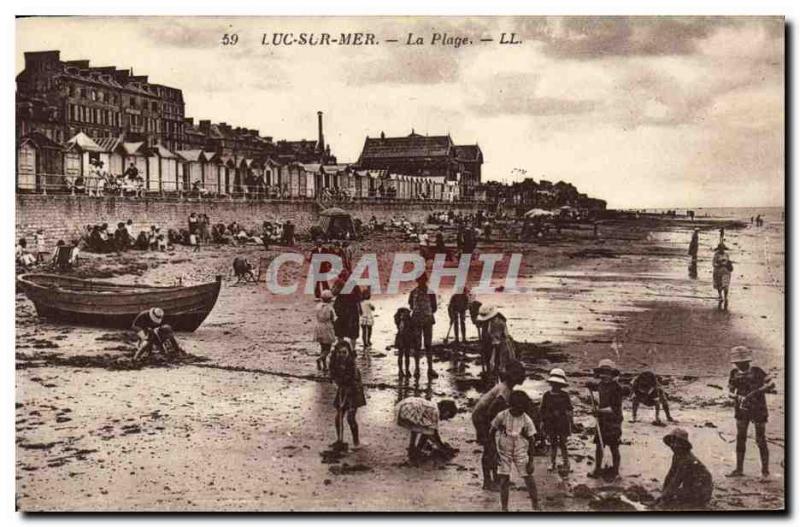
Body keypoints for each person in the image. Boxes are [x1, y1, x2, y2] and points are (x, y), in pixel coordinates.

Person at [471, 360, 527, 490]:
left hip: (485, 418)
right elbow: (491, 411)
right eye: (520, 374)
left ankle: (496, 479)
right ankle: (487, 482)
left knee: (494, 448)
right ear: (512, 376)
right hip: (482, 419)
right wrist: (493, 429)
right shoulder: (504, 391)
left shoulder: (506, 388)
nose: (523, 377)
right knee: (489, 449)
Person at [726, 346, 774, 478]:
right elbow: (730, 391)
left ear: (748, 361)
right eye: (738, 363)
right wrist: (736, 396)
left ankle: (765, 471)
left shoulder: (757, 371)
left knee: (760, 439)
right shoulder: (733, 373)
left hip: (758, 408)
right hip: (742, 408)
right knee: (740, 438)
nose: (740, 365)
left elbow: (771, 384)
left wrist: (757, 392)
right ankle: (739, 469)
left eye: (743, 363)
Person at [490, 390, 540, 511]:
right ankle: (504, 508)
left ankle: (535, 505)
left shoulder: (526, 419)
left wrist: (531, 461)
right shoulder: (502, 415)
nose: (520, 410)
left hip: (520, 448)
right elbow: (491, 432)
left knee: (528, 476)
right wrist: (494, 452)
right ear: (511, 405)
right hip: (504, 449)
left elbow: (532, 440)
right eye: (518, 408)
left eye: (523, 408)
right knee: (504, 479)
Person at [656, 428, 713, 509]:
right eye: (672, 442)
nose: (673, 445)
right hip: (691, 486)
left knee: (673, 496)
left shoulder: (687, 459)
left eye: (676, 443)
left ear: (683, 444)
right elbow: (670, 474)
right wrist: (663, 492)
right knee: (671, 494)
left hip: (702, 490)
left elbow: (676, 480)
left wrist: (664, 497)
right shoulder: (677, 455)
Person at [587, 358, 625, 480]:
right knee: (599, 445)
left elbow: (613, 409)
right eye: (603, 372)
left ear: (612, 374)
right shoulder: (601, 385)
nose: (605, 375)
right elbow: (594, 386)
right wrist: (589, 385)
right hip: (602, 420)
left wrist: (598, 411)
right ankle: (597, 469)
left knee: (614, 446)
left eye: (608, 373)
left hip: (613, 420)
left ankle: (616, 471)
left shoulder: (617, 388)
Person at [329, 339, 366, 450]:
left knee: (350, 417)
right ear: (336, 353)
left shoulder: (352, 366)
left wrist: (346, 397)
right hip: (342, 389)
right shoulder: (334, 363)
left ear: (348, 352)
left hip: (354, 392)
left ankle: (356, 442)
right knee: (338, 417)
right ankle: (339, 440)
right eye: (340, 352)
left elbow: (354, 382)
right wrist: (336, 383)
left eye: (344, 352)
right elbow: (333, 376)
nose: (342, 355)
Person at [396, 397, 458, 461]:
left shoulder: (431, 406)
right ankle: (417, 450)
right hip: (408, 410)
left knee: (420, 427)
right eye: (447, 417)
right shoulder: (435, 412)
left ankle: (413, 448)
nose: (445, 419)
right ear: (446, 412)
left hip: (402, 406)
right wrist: (443, 448)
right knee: (427, 431)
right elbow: (433, 434)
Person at [540, 368, 573, 473]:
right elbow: (542, 410)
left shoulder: (565, 395)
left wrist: (571, 421)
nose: (556, 386)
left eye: (558, 384)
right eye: (554, 384)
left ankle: (566, 462)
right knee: (553, 443)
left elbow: (570, 409)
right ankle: (552, 462)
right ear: (551, 383)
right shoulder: (546, 395)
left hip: (562, 423)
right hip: (551, 422)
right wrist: (542, 421)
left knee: (563, 443)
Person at [408, 274, 438, 379]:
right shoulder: (429, 293)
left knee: (425, 345)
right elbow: (434, 308)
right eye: (420, 280)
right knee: (421, 345)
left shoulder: (414, 293)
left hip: (421, 319)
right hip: (424, 319)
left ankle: (425, 369)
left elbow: (411, 305)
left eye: (422, 280)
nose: (421, 282)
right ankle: (420, 369)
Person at [477, 304, 517, 380]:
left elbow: (497, 341)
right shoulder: (491, 320)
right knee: (489, 355)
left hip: (500, 342)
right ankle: (492, 371)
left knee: (498, 359)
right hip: (492, 339)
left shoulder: (498, 322)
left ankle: (495, 372)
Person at [332, 270, 362, 351]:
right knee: (352, 331)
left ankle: (341, 347)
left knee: (341, 331)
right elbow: (359, 297)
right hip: (349, 310)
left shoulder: (342, 283)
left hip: (343, 310)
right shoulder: (351, 284)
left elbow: (333, 293)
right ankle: (352, 349)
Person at [314, 290, 337, 371]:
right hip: (327, 327)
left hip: (318, 326)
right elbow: (333, 318)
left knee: (322, 347)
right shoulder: (330, 308)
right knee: (328, 348)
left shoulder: (318, 306)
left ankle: (324, 365)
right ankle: (320, 359)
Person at [712, 243, 733, 311]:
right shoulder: (716, 255)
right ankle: (720, 295)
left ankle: (726, 297)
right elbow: (714, 264)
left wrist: (727, 264)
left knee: (726, 285)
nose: (722, 250)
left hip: (726, 272)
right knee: (719, 285)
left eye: (723, 249)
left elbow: (728, 262)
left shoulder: (726, 255)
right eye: (721, 249)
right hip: (718, 272)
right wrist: (719, 263)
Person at [359, 287, 376, 351]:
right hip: (368, 317)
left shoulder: (360, 302)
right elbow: (373, 308)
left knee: (364, 331)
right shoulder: (369, 302)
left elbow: (359, 311)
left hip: (363, 317)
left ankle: (364, 342)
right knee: (369, 330)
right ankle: (368, 340)